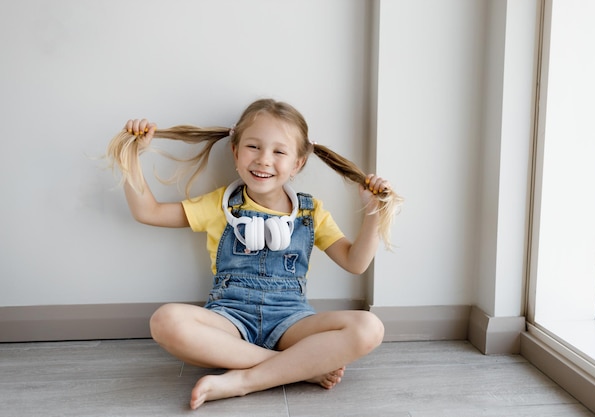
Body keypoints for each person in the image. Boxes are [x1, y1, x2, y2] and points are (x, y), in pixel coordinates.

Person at [106, 99, 401, 410]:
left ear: (297, 163)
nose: (264, 160)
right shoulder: (220, 204)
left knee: (370, 328)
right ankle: (298, 368)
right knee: (165, 321)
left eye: (279, 151)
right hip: (229, 320)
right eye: (253, 147)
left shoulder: (310, 212)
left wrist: (373, 213)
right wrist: (131, 156)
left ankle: (244, 380)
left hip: (291, 321)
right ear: (235, 152)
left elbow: (355, 263)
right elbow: (148, 211)